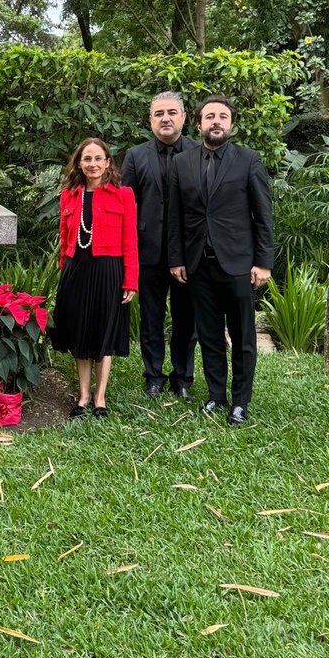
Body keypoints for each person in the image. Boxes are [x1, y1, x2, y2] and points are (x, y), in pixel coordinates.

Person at [167, 95, 273, 426]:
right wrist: (176, 259)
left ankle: (240, 402)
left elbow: (263, 215)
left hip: (239, 264)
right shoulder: (182, 163)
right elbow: (175, 217)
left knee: (242, 338)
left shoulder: (248, 160)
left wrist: (264, 262)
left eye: (222, 116)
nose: (216, 121)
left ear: (230, 124)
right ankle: (217, 395)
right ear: (198, 124)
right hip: (198, 265)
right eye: (209, 116)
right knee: (210, 336)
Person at [51, 137, 138, 418]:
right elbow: (65, 236)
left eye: (98, 158)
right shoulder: (69, 194)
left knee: (103, 331)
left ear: (107, 162)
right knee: (80, 332)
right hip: (77, 270)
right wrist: (64, 267)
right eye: (87, 159)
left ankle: (100, 398)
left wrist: (130, 281)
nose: (92, 164)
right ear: (79, 163)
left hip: (108, 271)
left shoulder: (122, 195)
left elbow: (131, 241)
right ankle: (83, 395)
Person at [121, 92, 198, 400]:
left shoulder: (198, 151)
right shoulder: (135, 155)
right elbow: (125, 206)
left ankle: (182, 377)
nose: (165, 118)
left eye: (171, 112)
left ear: (183, 117)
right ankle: (153, 375)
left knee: (186, 319)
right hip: (148, 251)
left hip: (188, 254)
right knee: (151, 319)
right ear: (150, 120)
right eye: (158, 114)